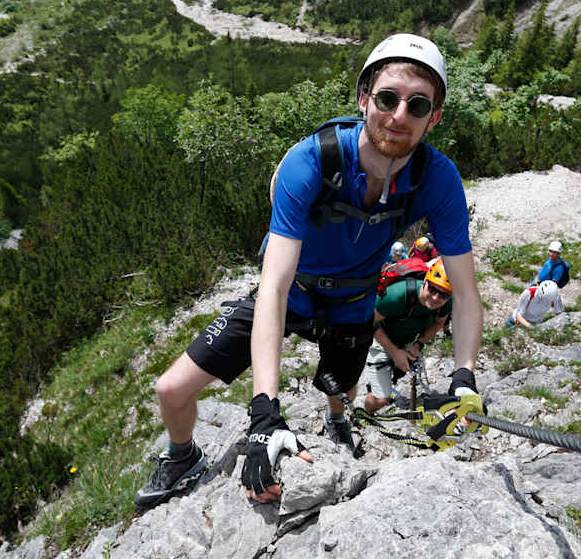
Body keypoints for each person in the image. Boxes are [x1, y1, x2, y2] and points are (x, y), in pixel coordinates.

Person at [134, 33, 484, 511]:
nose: (399, 115)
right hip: (293, 293)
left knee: (340, 386)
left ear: (434, 117)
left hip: (354, 303)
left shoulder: (437, 179)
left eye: (417, 105)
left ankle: (337, 418)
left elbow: (464, 291)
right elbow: (273, 287)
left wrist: (464, 376)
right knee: (170, 389)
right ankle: (182, 455)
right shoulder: (312, 161)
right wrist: (264, 413)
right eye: (387, 98)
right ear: (364, 99)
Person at [364, 258, 453, 413]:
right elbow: (368, 322)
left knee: (399, 372)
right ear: (425, 282)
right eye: (433, 289)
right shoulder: (397, 295)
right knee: (382, 398)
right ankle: (366, 415)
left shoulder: (447, 304)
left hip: (408, 342)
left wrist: (418, 345)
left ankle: (382, 380)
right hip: (381, 341)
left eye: (443, 295)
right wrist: (394, 352)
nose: (435, 298)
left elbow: (439, 323)